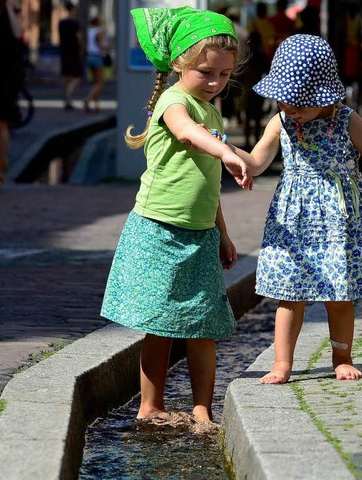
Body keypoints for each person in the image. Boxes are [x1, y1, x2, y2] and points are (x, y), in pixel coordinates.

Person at [100, 6, 251, 432]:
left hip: (200, 234)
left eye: (224, 75)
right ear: (180, 64)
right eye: (206, 72)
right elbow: (186, 132)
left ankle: (203, 408)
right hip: (158, 229)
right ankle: (151, 406)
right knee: (160, 325)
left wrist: (223, 234)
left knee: (203, 326)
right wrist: (226, 150)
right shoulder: (174, 100)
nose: (216, 82)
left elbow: (208, 186)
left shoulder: (214, 113)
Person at [240, 34, 362, 384]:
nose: (292, 109)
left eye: (300, 102)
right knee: (289, 293)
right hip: (294, 220)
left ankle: (342, 356)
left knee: (339, 293)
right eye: (285, 101)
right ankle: (282, 364)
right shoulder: (281, 122)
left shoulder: (348, 121)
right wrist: (230, 156)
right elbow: (257, 161)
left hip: (339, 220)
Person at [0, 0, 23, 193]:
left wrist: (10, 8)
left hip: (7, 76)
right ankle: (0, 160)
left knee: (1, 122)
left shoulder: (14, 12)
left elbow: (18, 34)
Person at [58, 1, 83, 111]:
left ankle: (66, 99)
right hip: (73, 51)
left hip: (64, 50)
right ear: (72, 9)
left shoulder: (61, 23)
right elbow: (79, 37)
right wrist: (83, 47)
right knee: (77, 76)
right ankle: (68, 97)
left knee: (66, 76)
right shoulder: (74, 23)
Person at [84, 15, 108, 113]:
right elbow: (100, 44)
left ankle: (97, 105)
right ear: (97, 22)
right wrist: (108, 48)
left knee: (95, 82)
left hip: (90, 56)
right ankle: (88, 99)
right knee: (100, 82)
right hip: (97, 57)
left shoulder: (89, 31)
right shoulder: (99, 31)